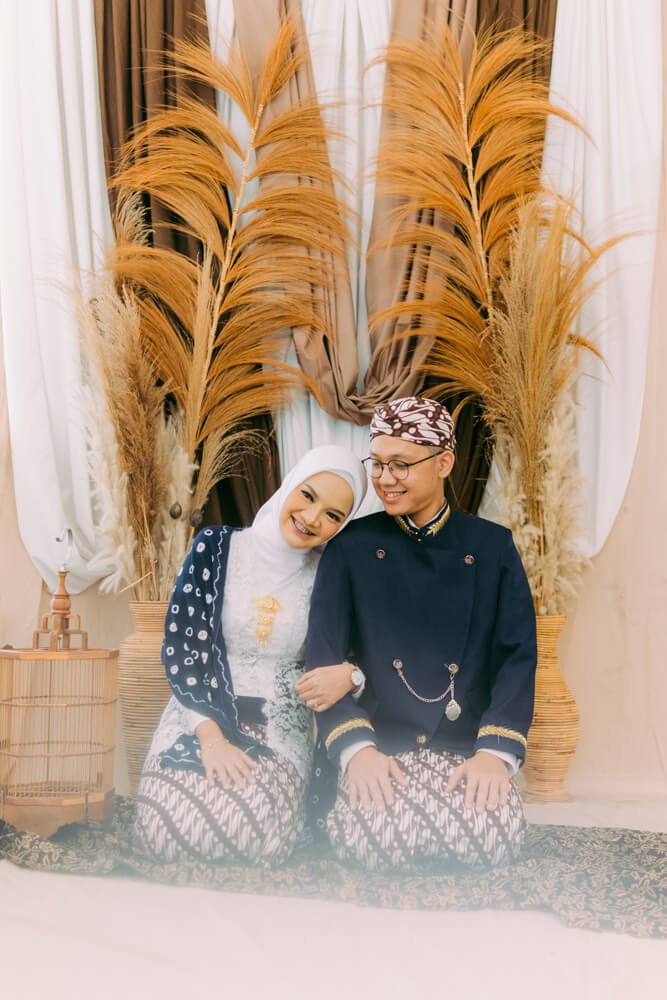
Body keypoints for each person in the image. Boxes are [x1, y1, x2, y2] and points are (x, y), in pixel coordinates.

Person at [304, 396, 537, 871]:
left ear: (443, 463)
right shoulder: (350, 548)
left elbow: (516, 659)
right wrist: (358, 753)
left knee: (490, 843)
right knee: (369, 844)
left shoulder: (492, 547)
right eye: (377, 464)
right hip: (379, 743)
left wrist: (493, 756)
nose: (385, 479)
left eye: (401, 465)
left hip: (465, 746)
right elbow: (322, 661)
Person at [135, 446, 367, 866]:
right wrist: (212, 742)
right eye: (308, 496)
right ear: (289, 484)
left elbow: (363, 655)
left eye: (333, 515)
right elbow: (184, 647)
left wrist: (352, 675)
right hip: (198, 714)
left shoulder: (329, 576)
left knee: (250, 830)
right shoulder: (216, 547)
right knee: (165, 825)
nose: (312, 518)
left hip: (278, 727)